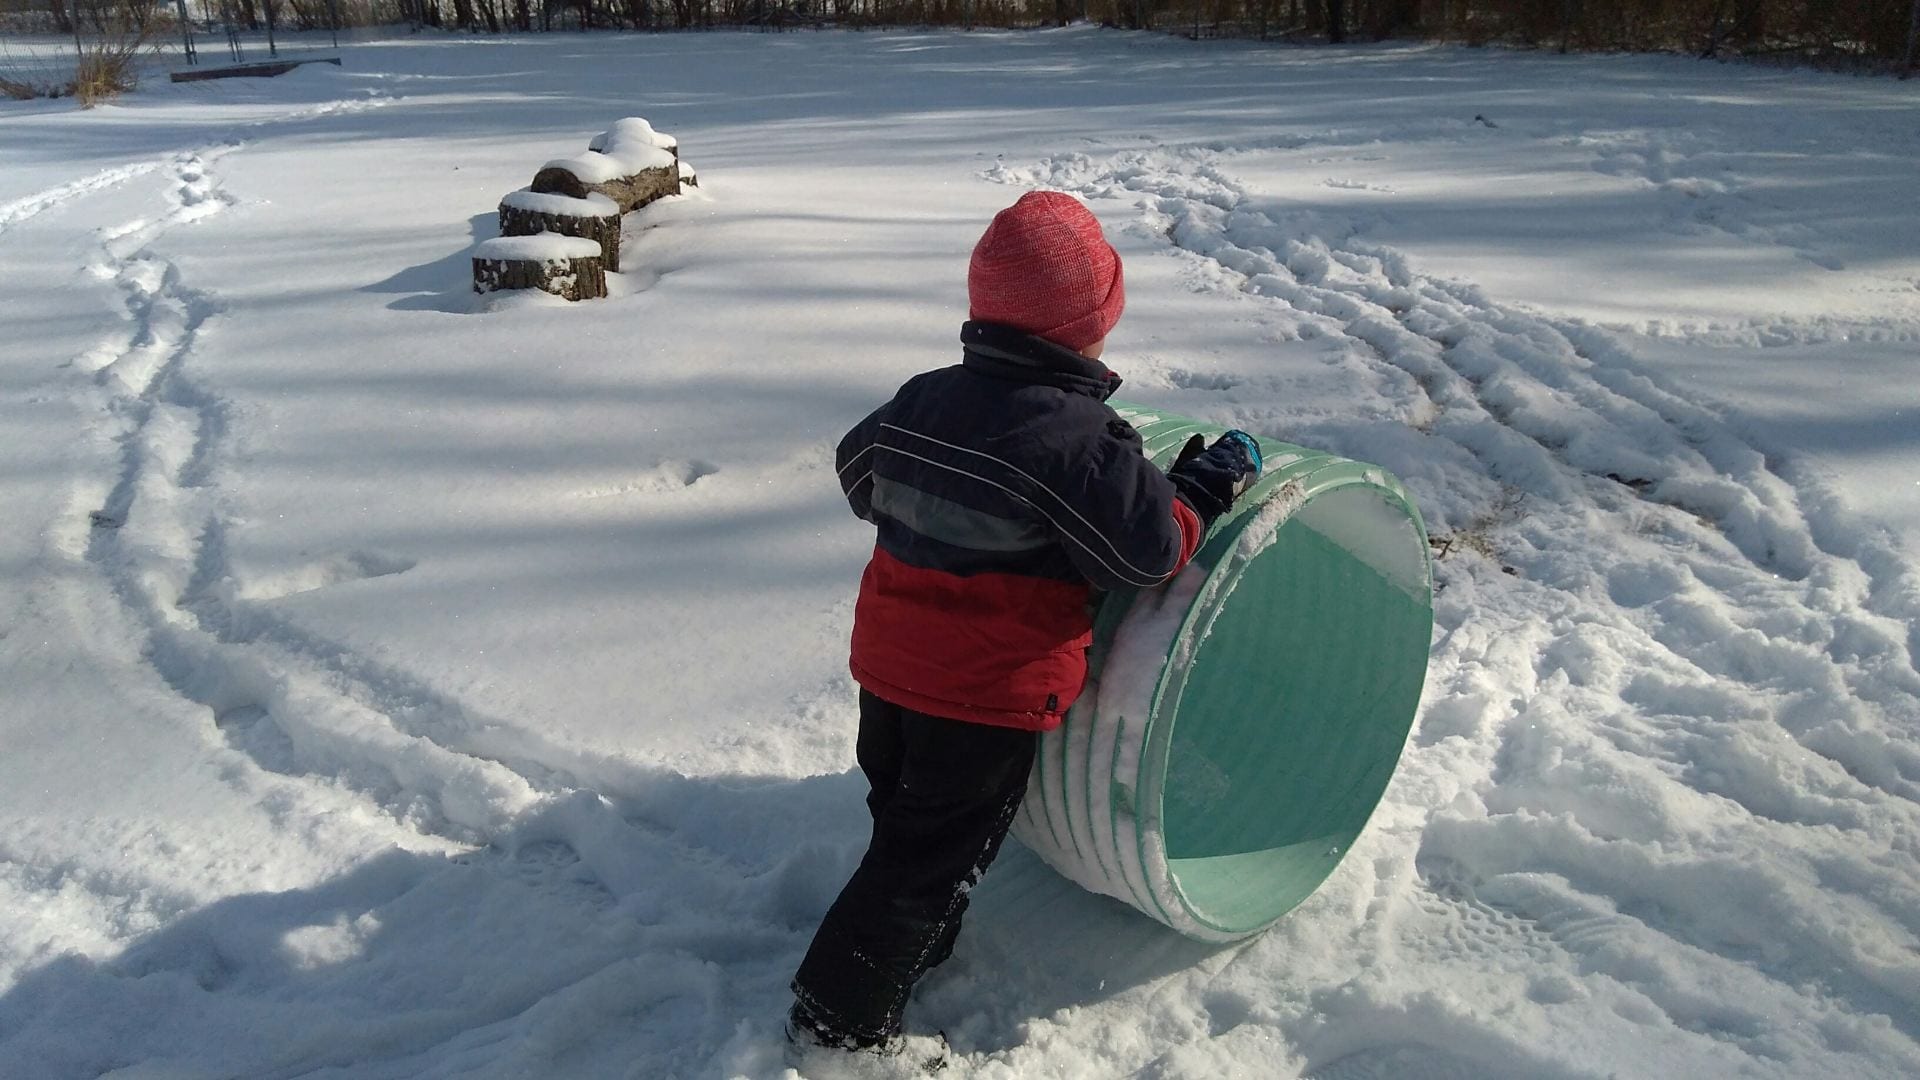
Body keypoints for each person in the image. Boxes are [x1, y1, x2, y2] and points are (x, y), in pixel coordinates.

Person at [788, 190, 1263, 1056]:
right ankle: (835, 1027)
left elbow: (860, 473)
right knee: (923, 865)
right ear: (1090, 324)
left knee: (903, 820)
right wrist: (1202, 489)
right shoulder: (1078, 438)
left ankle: (912, 945)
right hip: (980, 701)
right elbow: (1144, 555)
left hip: (887, 668)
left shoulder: (923, 400)